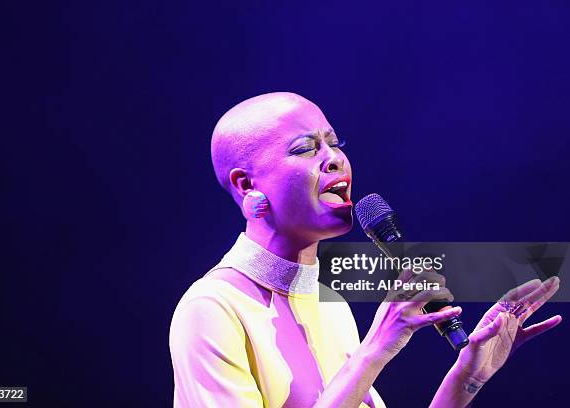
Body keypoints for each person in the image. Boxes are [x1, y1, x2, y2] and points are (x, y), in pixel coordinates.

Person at [169, 92, 561, 407]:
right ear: (244, 185)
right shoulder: (212, 309)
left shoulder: (330, 305)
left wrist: (467, 379)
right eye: (306, 148)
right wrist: (374, 350)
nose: (335, 159)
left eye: (334, 143)